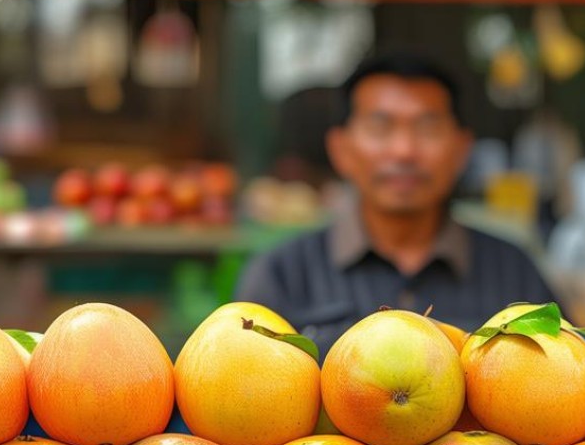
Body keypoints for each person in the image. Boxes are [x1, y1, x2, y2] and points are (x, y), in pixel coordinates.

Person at [236, 53, 560, 353]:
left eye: (428, 128)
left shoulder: (514, 274)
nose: (404, 150)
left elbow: (564, 372)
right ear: (341, 149)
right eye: (380, 128)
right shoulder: (284, 276)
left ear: (462, 149)